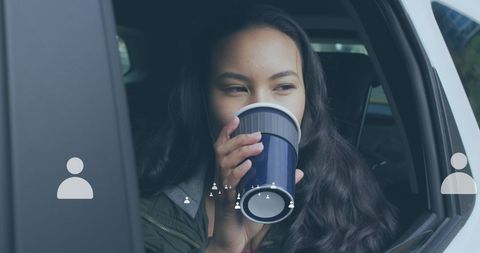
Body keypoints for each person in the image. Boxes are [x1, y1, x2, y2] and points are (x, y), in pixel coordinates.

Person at [136, 3, 398, 253]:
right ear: (203, 100)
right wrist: (222, 247)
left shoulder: (345, 198)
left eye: (283, 87)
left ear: (308, 96)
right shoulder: (150, 209)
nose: (261, 105)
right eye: (236, 88)